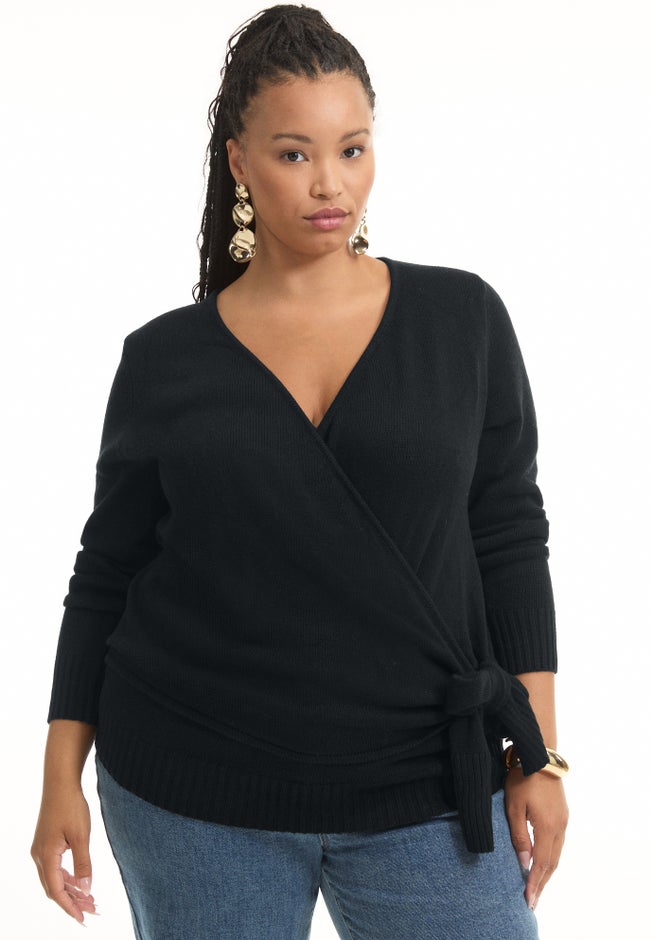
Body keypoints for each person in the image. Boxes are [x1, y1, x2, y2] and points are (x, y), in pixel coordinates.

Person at [31, 5, 569, 938]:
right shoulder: (164, 360)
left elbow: (508, 537)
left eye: (352, 149)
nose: (330, 183)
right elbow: (107, 573)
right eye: (294, 154)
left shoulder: (461, 320)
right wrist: (57, 780)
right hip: (192, 796)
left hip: (430, 789)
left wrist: (539, 755)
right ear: (239, 162)